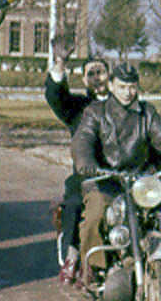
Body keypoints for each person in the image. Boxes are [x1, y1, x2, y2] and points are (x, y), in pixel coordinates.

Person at [73, 62, 161, 280]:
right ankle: (95, 268)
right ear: (111, 85)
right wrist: (86, 162)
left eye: (132, 87)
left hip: (143, 180)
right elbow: (83, 139)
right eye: (122, 86)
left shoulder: (146, 112)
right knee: (94, 215)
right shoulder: (95, 112)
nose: (127, 92)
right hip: (107, 180)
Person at [44, 35, 109, 285]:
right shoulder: (78, 107)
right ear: (84, 80)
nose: (96, 78)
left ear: (109, 76)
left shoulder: (122, 104)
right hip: (86, 175)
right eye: (90, 74)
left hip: (123, 174)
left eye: (100, 72)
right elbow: (55, 96)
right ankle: (73, 256)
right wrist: (60, 62)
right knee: (74, 203)